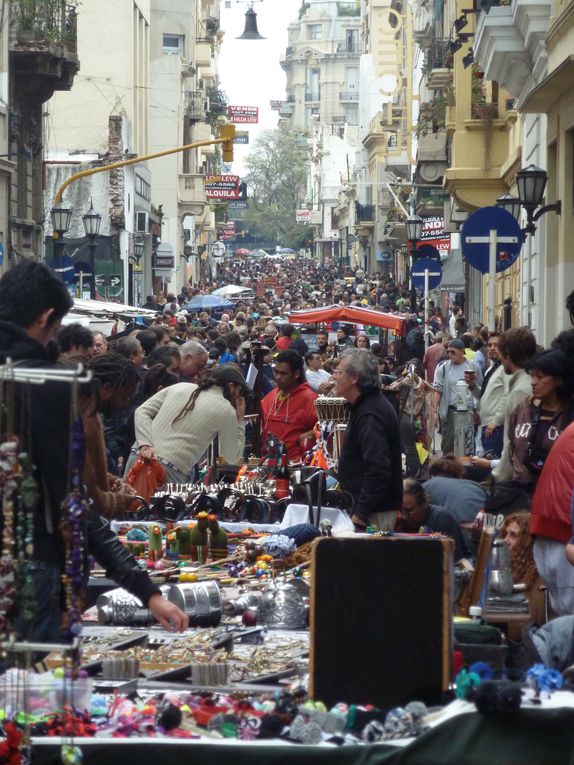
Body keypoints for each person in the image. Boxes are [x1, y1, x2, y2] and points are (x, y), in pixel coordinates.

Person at [0, 261, 187, 641]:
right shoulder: (47, 382)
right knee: (32, 691)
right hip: (31, 570)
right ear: (46, 318)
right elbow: (72, 501)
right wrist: (145, 590)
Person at [132, 364, 248, 484]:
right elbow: (232, 457)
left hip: (136, 458)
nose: (238, 395)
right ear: (231, 386)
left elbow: (141, 411)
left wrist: (145, 444)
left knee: (125, 502)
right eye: (239, 390)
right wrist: (240, 421)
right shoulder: (226, 409)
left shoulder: (179, 386)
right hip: (166, 471)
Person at [335, 348, 402, 532]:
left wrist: (361, 513)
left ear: (354, 377)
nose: (335, 377)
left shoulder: (370, 413)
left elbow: (378, 468)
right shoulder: (367, 407)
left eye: (339, 372)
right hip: (370, 511)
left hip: (372, 515)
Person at [260, 349, 317, 462]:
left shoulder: (310, 399)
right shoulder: (269, 397)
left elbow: (326, 428)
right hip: (267, 465)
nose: (278, 377)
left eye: (283, 373)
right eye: (276, 372)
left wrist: (308, 435)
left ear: (296, 374)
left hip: (294, 469)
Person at [432, 338, 483, 454]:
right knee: (448, 446)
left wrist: (478, 411)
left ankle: (465, 470)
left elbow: (481, 389)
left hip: (468, 411)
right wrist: (435, 412)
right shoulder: (444, 368)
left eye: (453, 352)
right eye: (448, 352)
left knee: (467, 445)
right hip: (450, 411)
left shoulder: (473, 367)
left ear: (462, 351)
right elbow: (437, 390)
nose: (450, 354)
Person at [399, 479, 468, 562]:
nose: (403, 516)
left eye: (408, 511)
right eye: (400, 510)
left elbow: (453, 561)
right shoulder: (398, 521)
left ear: (424, 503)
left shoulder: (442, 519)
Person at [500, 512, 548, 625]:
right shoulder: (507, 566)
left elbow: (529, 621)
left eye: (513, 535)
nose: (506, 541)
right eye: (505, 534)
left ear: (527, 542)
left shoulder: (538, 576)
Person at [423, 455, 487, 524]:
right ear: (459, 474)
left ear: (432, 475)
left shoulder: (427, 485)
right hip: (484, 526)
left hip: (458, 527)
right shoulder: (475, 485)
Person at [475, 332, 507, 458]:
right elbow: (485, 397)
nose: (492, 348)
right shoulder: (490, 369)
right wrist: (472, 387)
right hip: (486, 425)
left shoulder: (505, 369)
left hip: (496, 427)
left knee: (493, 466)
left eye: (496, 345)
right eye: (489, 345)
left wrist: (496, 421)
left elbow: (508, 395)